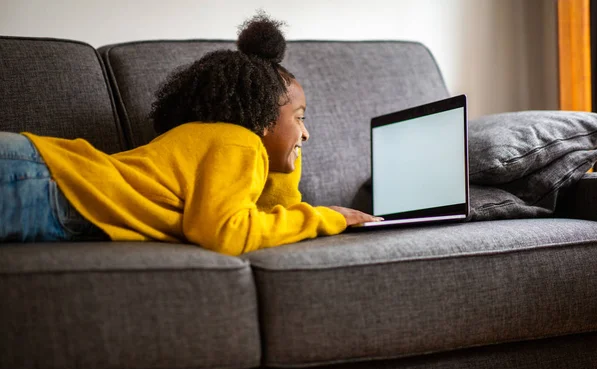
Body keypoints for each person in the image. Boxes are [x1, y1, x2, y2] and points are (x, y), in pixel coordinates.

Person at [0, 12, 380, 256]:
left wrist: (285, 162)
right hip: (38, 181)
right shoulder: (238, 143)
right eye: (299, 117)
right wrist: (323, 217)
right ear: (263, 119)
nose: (306, 133)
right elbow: (226, 234)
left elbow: (262, 215)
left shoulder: (217, 143)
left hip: (38, 178)